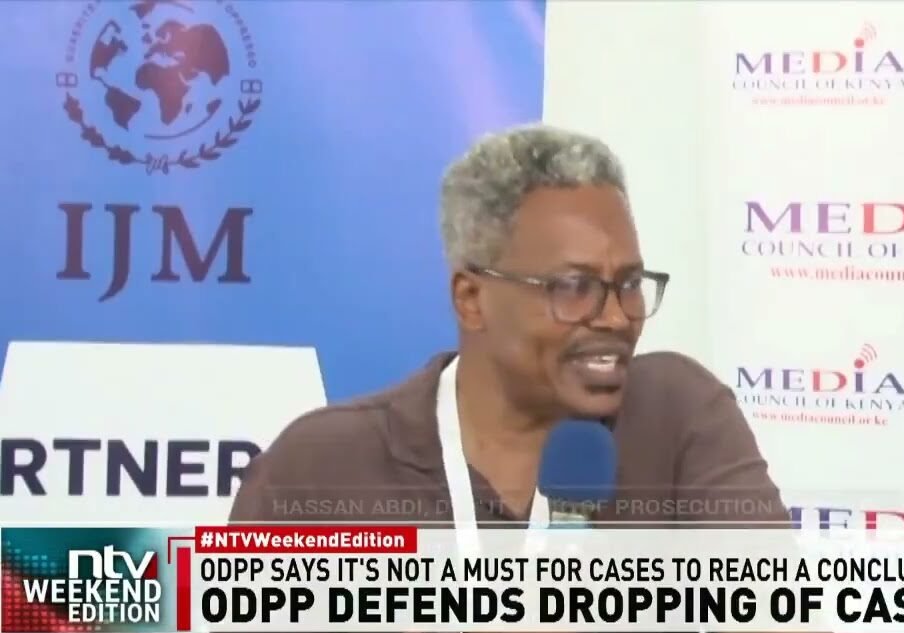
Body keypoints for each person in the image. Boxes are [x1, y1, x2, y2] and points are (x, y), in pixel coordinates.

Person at [228, 124, 789, 533]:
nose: (617, 317)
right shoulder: (318, 467)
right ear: (471, 299)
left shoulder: (677, 414)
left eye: (628, 283)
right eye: (575, 286)